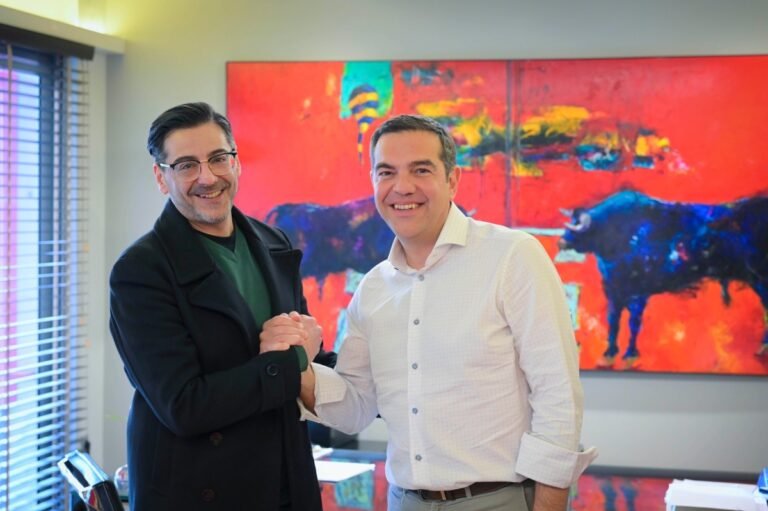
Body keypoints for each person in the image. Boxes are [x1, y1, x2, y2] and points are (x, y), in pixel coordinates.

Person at [296, 114, 597, 511]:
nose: (402, 187)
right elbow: (356, 407)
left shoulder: (513, 256)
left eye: (420, 170)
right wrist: (295, 364)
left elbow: (557, 394)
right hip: (405, 501)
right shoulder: (373, 289)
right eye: (387, 172)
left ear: (453, 180)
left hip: (498, 501)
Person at [109, 102, 332, 511]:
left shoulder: (274, 243)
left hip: (286, 481)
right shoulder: (140, 271)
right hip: (197, 491)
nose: (207, 177)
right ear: (161, 177)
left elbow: (310, 354)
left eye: (218, 158)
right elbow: (184, 406)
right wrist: (294, 360)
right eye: (186, 165)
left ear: (237, 162)